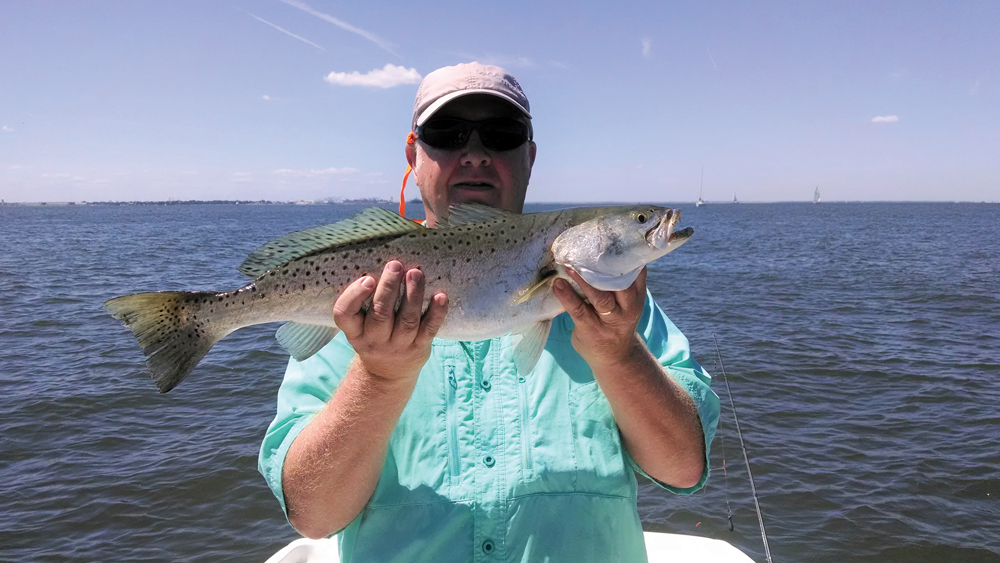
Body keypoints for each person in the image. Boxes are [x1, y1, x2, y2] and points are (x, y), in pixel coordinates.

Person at [259, 62, 720, 562]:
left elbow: (683, 469)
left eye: (501, 136)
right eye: (448, 134)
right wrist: (378, 379)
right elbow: (313, 515)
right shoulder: (356, 314)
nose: (475, 155)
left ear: (530, 157)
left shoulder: (620, 310)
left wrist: (619, 355)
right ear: (414, 154)